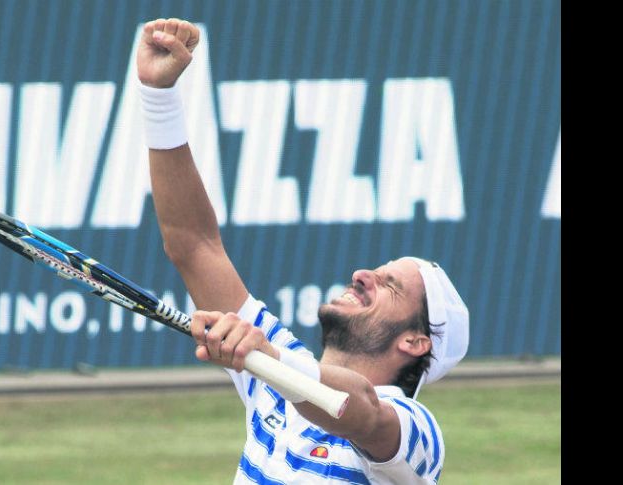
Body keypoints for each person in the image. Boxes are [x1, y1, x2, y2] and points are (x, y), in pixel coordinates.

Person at [136, 18, 469, 484]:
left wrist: (270, 358)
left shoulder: (418, 435)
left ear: (414, 342)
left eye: (389, 285)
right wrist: (159, 96)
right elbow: (194, 245)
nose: (361, 275)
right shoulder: (274, 367)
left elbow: (363, 410)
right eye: (376, 271)